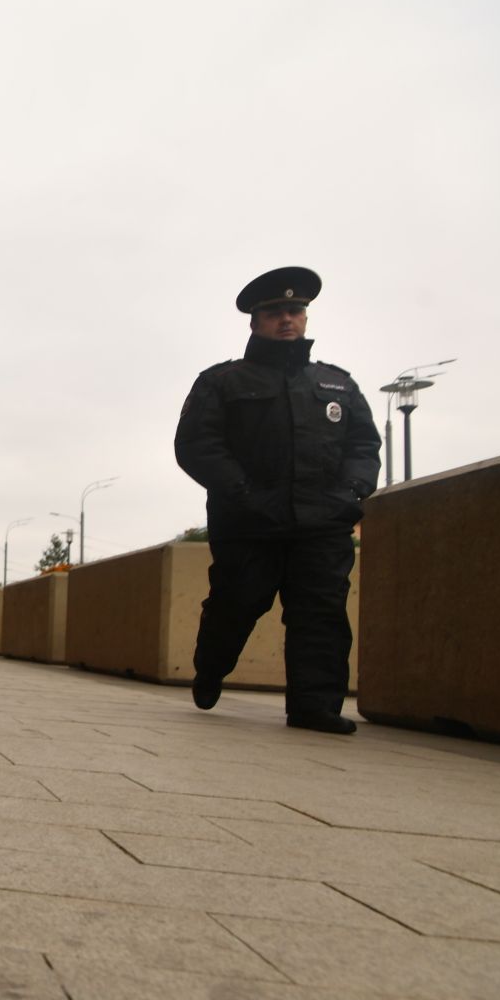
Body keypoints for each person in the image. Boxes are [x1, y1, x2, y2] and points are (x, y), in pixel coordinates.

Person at [173, 266, 381, 735]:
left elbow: (364, 448)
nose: (286, 319)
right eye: (274, 312)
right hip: (249, 523)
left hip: (322, 523)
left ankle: (315, 707)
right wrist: (244, 494)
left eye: (295, 310)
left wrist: (349, 493)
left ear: (305, 317)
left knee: (321, 614)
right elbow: (196, 445)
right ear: (254, 321)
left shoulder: (338, 386)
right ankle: (210, 669)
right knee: (238, 603)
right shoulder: (222, 382)